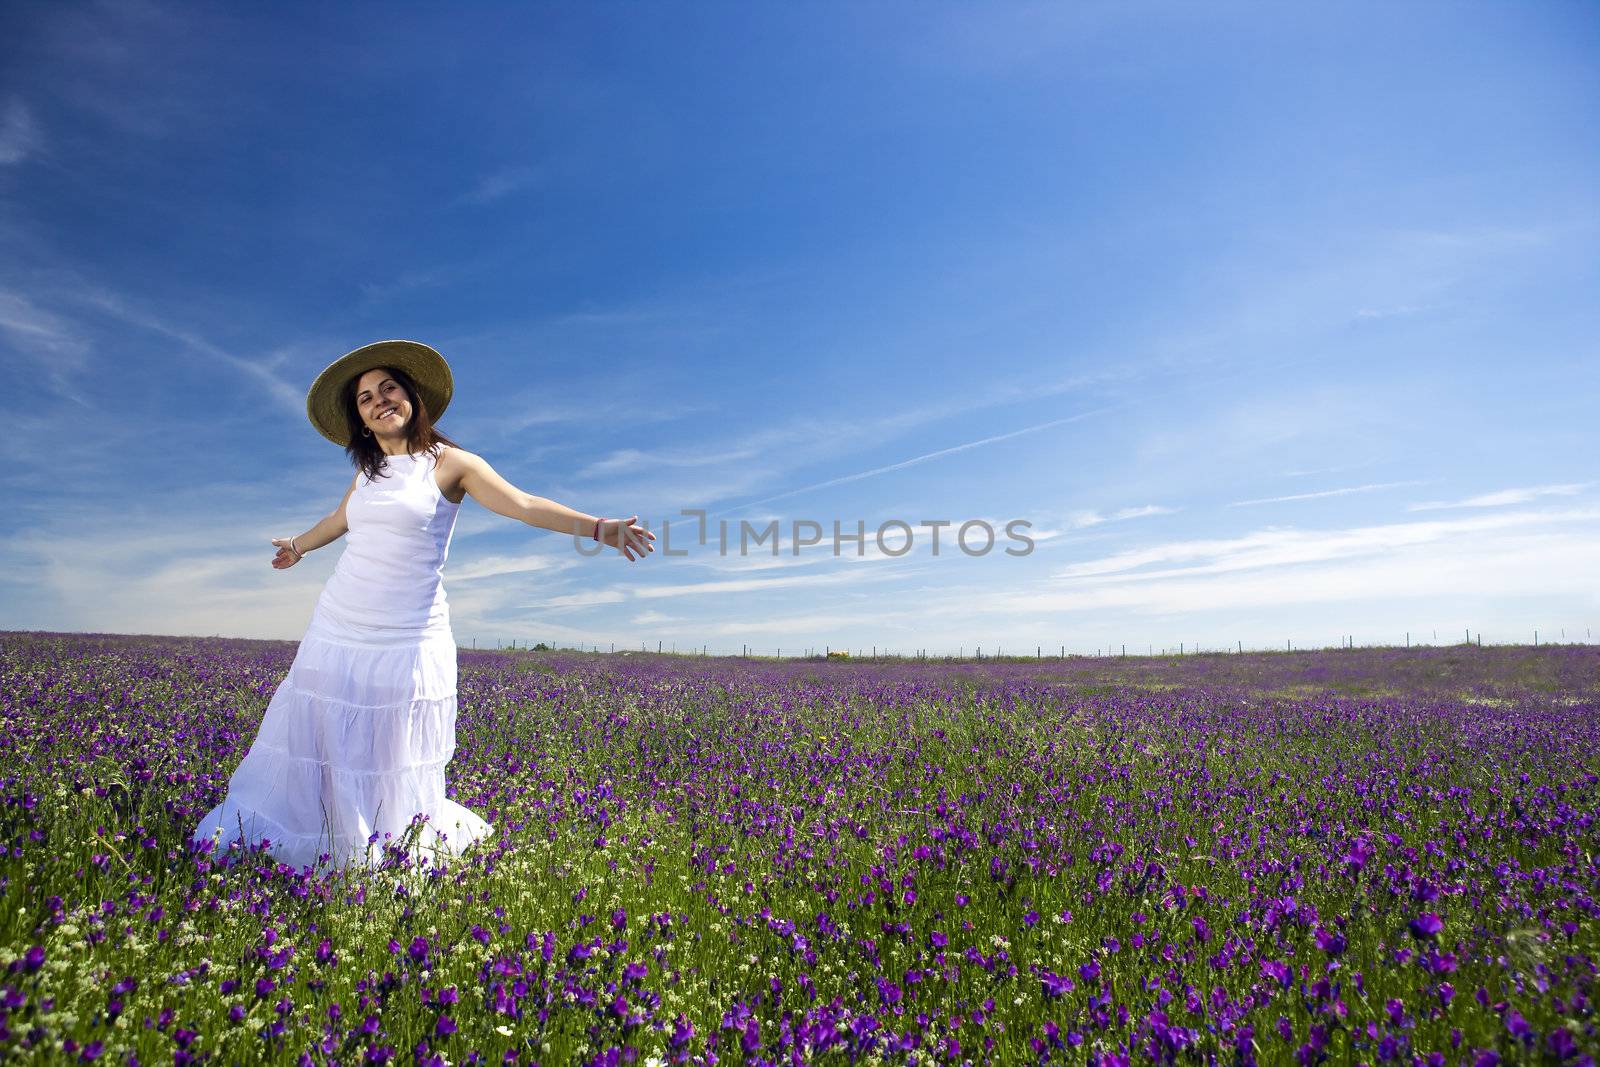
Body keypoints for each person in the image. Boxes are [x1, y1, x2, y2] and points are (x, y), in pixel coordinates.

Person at [192, 339, 654, 872]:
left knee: (390, 750)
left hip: (408, 633)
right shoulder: (367, 474)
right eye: (365, 398)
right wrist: (297, 546)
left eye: (388, 388)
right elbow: (337, 522)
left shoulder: (451, 463)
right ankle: (324, 833)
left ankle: (375, 847)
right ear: (361, 421)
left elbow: (524, 505)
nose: (379, 400)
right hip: (339, 624)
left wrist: (597, 528)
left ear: (411, 396)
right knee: (323, 735)